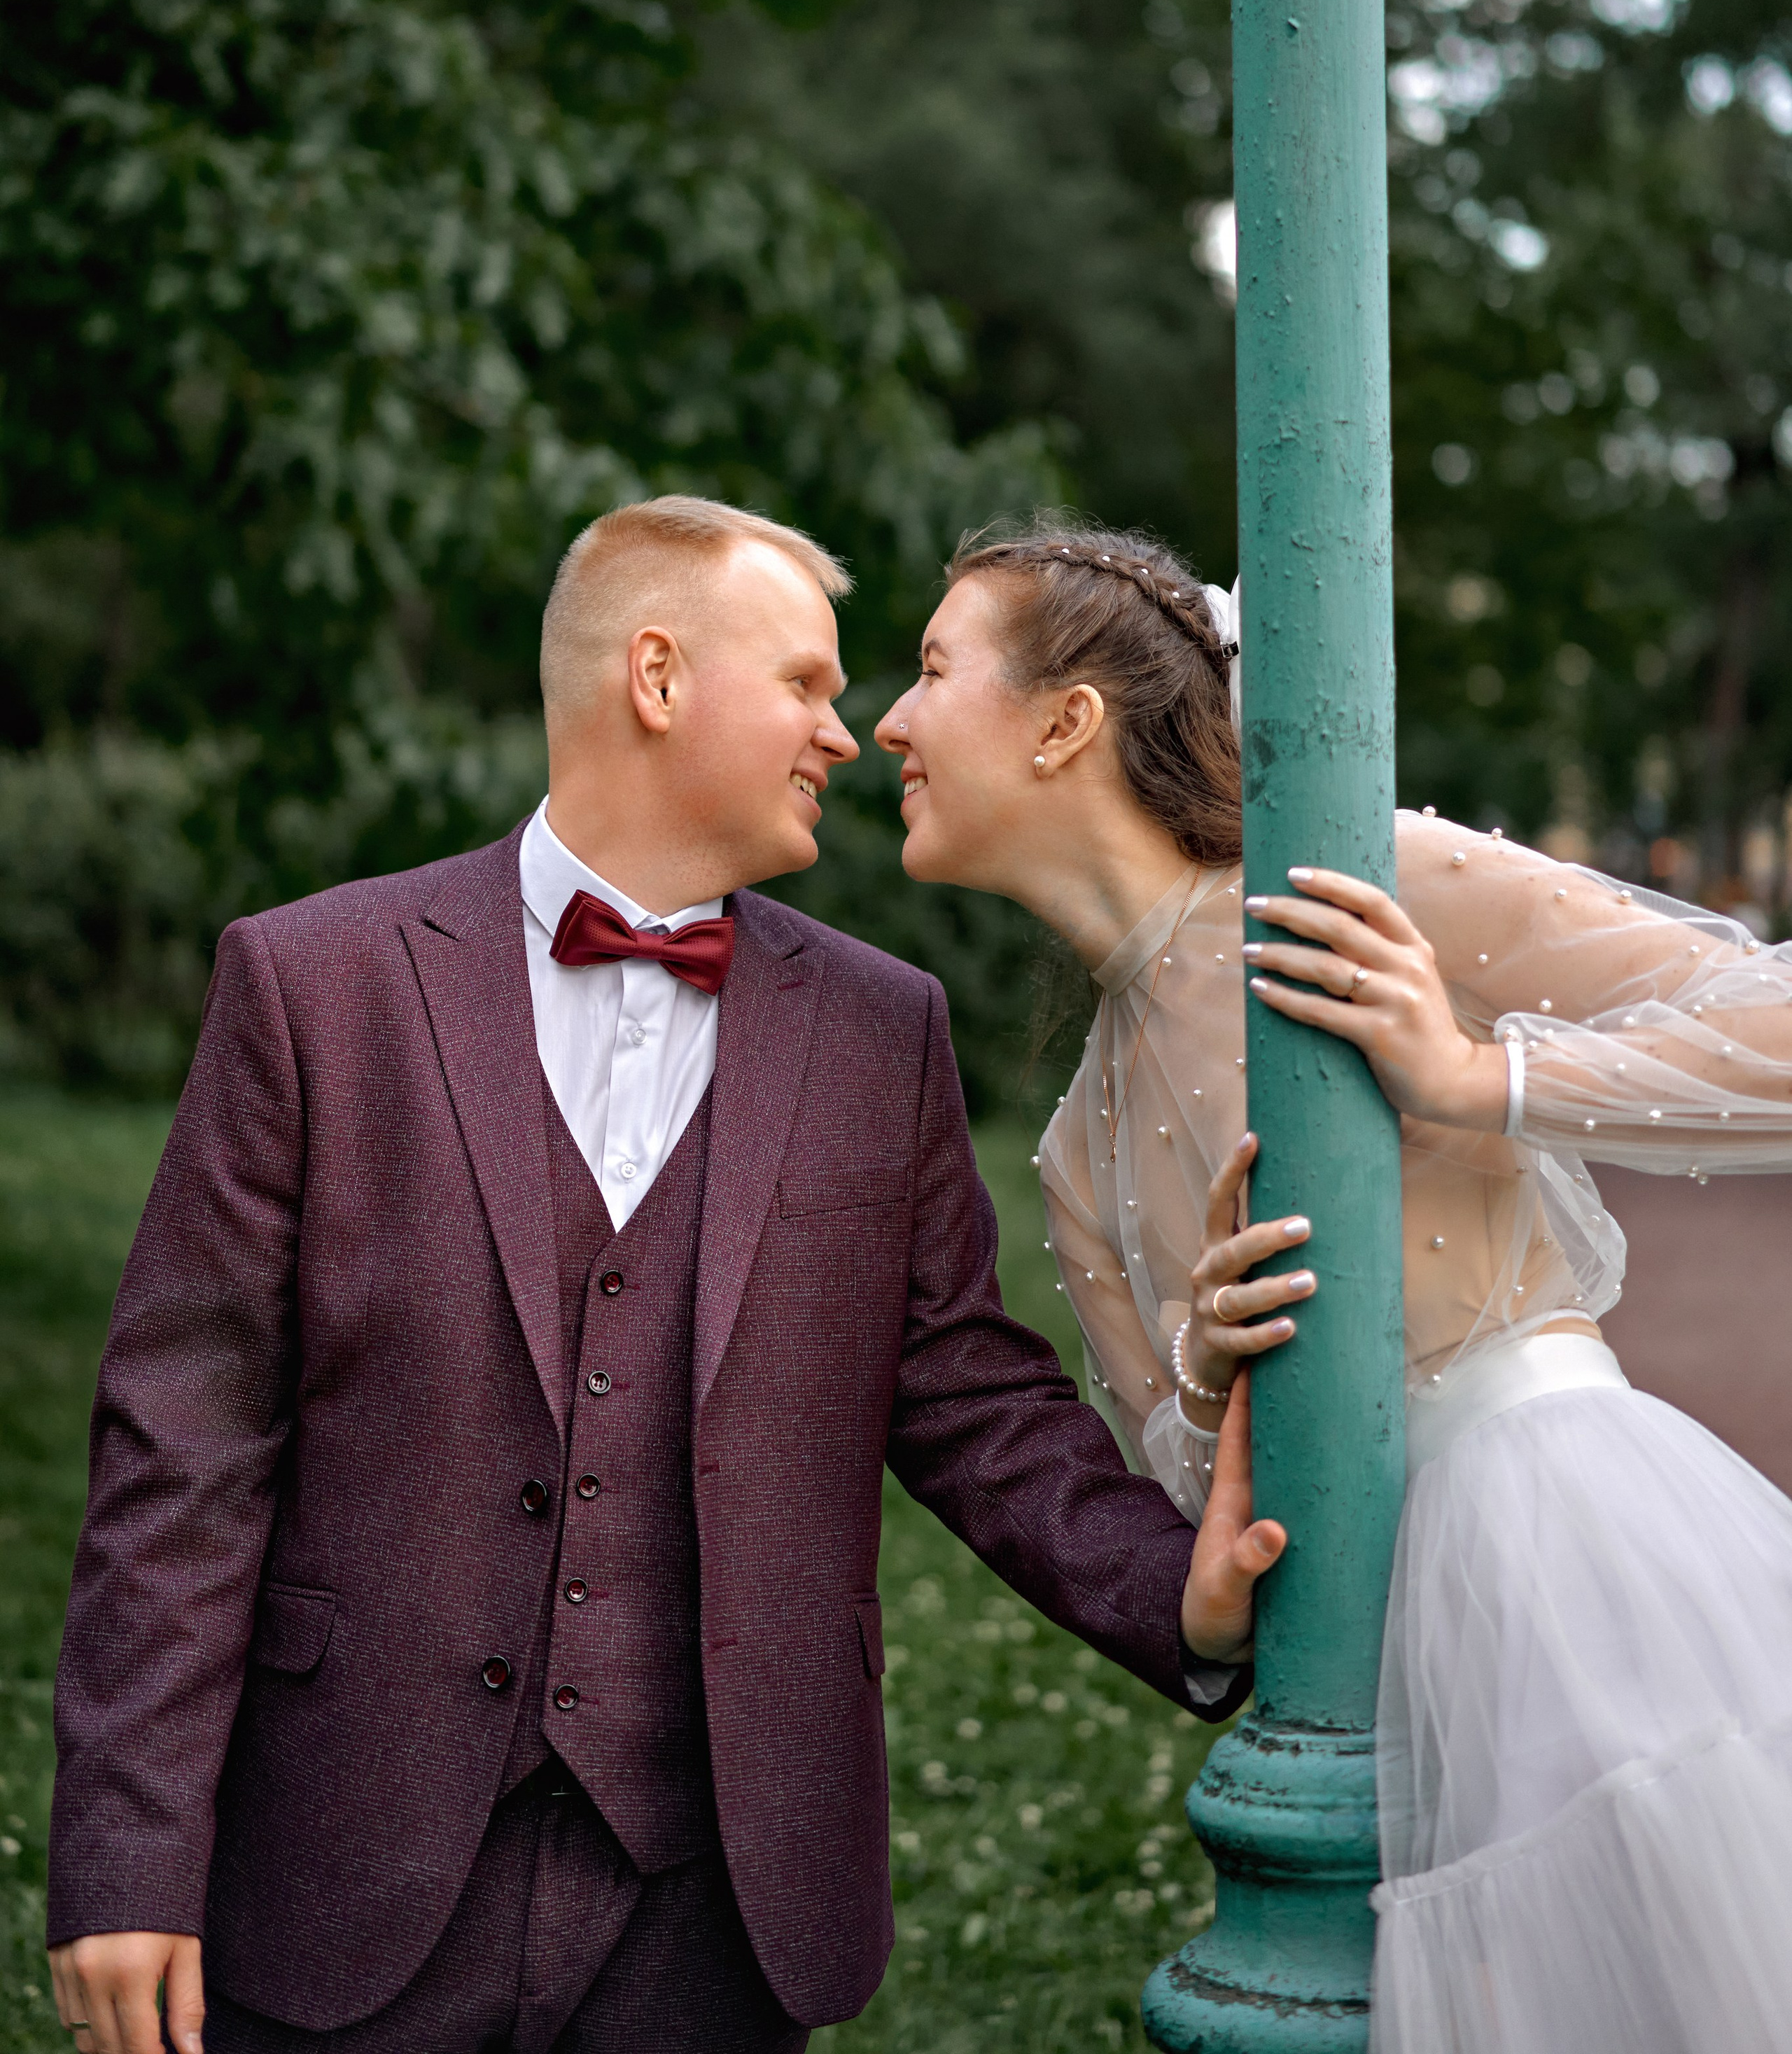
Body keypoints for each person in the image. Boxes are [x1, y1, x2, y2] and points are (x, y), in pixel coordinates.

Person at [46, 495, 1282, 2054]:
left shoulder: (876, 1030)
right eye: (806, 684)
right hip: (345, 1866)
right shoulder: (313, 987)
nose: (845, 733)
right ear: (654, 677)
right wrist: (126, 1857)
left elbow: (968, 1394)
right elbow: (183, 1452)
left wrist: (1174, 1590)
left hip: (713, 1903)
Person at [876, 515, 1792, 2054]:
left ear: (1063, 723)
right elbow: (1196, 1516)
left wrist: (1470, 1073)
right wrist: (1207, 1381)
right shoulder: (1068, 1153)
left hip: (1577, 1562)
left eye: (926, 667)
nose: (885, 723)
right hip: (1366, 1675)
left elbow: (1766, 1023)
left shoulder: (1343, 883)